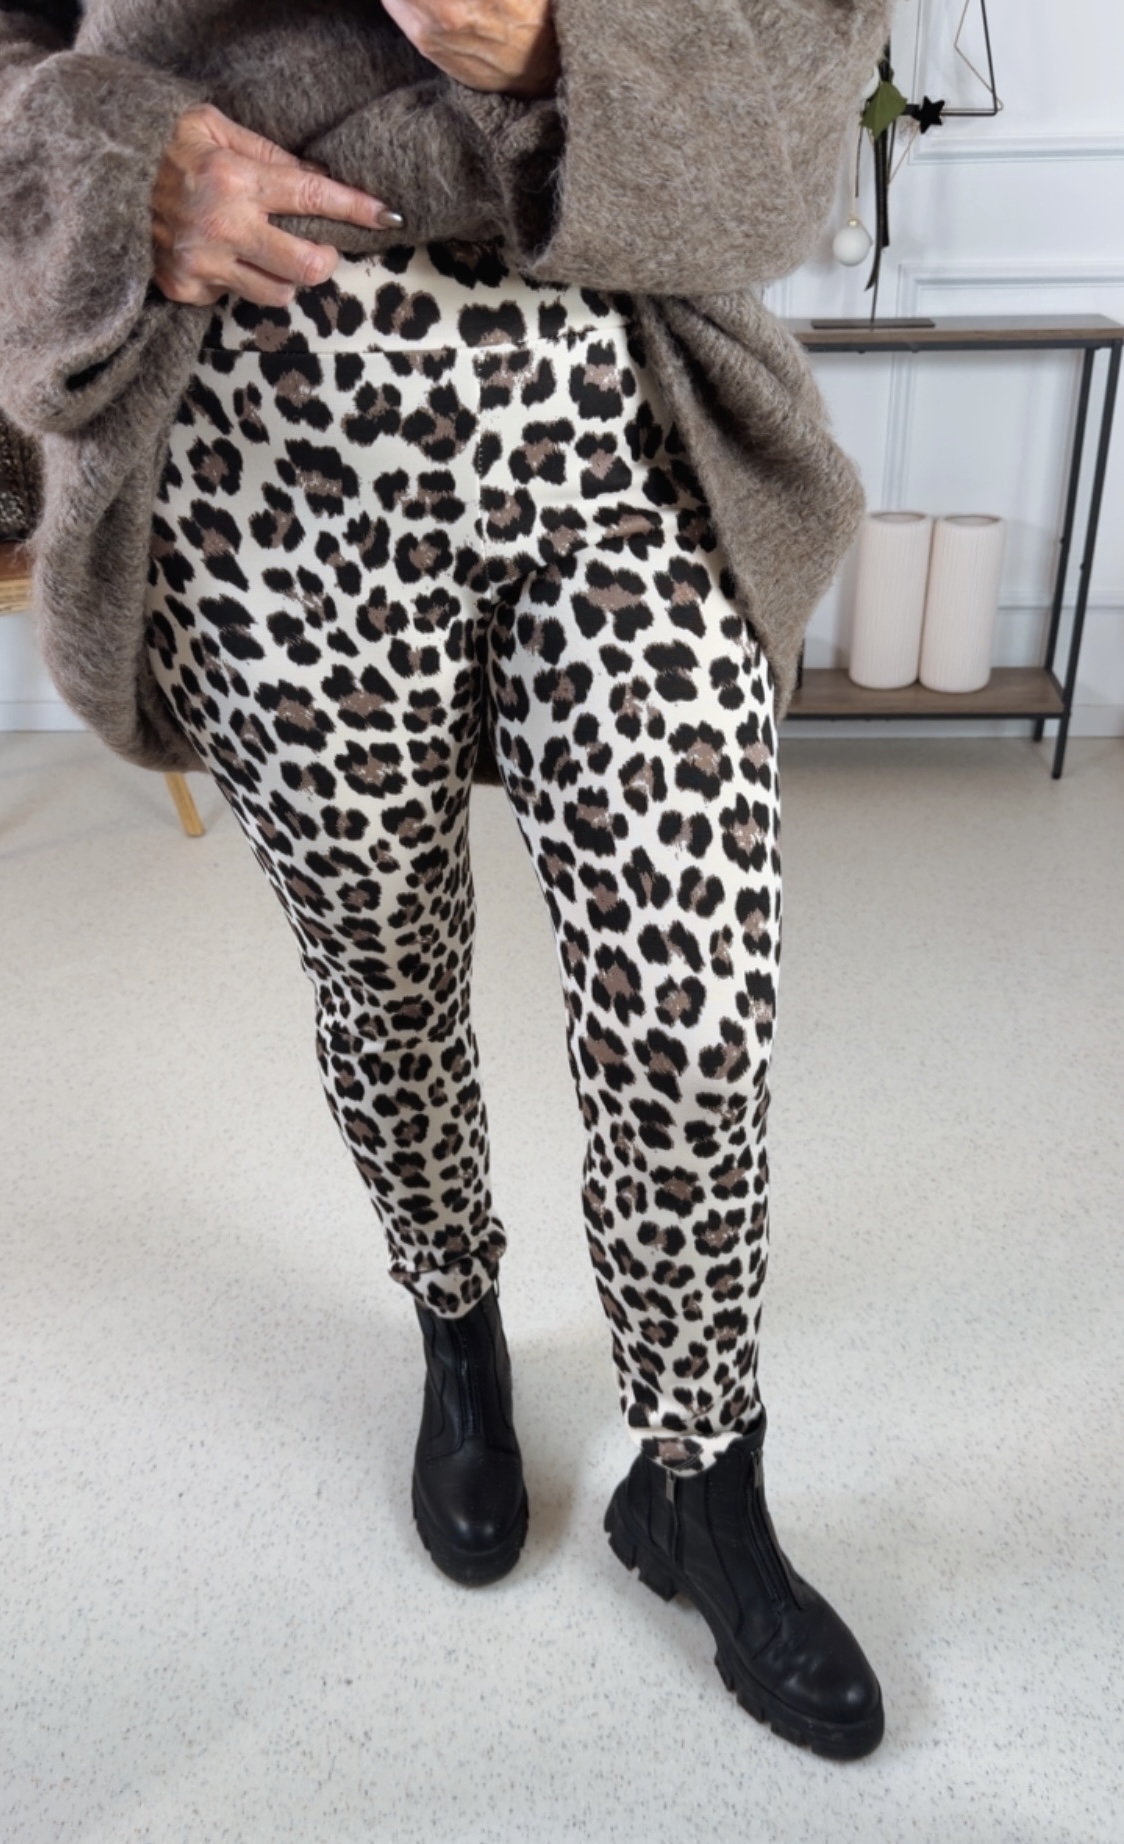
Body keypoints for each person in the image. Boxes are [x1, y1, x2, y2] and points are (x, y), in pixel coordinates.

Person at [0, 0, 892, 1760]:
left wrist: (577, 50)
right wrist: (110, 164)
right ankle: (459, 1334)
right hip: (264, 437)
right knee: (385, 974)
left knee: (698, 1014)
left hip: (619, 400)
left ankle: (702, 1484)